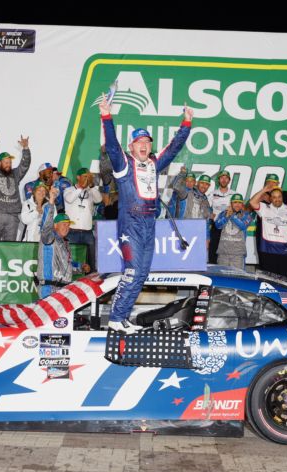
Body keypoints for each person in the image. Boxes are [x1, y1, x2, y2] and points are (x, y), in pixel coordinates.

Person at [99, 94, 193, 333]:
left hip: (149, 223)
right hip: (130, 223)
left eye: (147, 142)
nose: (144, 145)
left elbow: (173, 149)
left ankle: (122, 318)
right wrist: (106, 116)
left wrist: (186, 124)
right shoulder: (123, 164)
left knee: (142, 273)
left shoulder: (153, 163)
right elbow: (111, 144)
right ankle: (116, 317)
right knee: (132, 271)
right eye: (139, 142)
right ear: (131, 146)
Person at [36, 187, 90, 298]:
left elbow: (67, 265)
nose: (67, 227)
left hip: (64, 290)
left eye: (68, 225)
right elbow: (46, 225)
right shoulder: (49, 237)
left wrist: (80, 267)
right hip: (49, 289)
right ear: (55, 225)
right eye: (64, 224)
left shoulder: (65, 243)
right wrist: (51, 200)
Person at [250, 184, 287, 279]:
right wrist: (264, 189)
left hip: (285, 252)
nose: (277, 199)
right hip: (267, 252)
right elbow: (252, 202)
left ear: (282, 197)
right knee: (267, 282)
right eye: (274, 197)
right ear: (270, 198)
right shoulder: (264, 208)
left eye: (279, 197)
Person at [64, 167, 102, 271]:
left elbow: (99, 199)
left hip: (87, 232)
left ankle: (91, 282)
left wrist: (92, 186)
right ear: (78, 177)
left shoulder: (91, 191)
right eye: (85, 176)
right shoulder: (69, 190)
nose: (87, 178)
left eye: (89, 177)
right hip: (72, 232)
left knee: (92, 261)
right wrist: (81, 187)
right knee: (71, 260)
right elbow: (69, 199)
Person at [253, 173, 287, 270]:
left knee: (282, 265)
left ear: (278, 183)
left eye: (273, 183)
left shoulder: (285, 194)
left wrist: (269, 199)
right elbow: (249, 207)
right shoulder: (260, 195)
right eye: (269, 182)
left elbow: (284, 209)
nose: (271, 185)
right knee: (264, 262)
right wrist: (262, 193)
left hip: (279, 236)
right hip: (263, 233)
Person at [215, 193, 252, 269]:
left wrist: (232, 216)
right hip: (223, 253)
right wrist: (226, 217)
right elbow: (217, 226)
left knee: (238, 278)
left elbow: (243, 226)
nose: (237, 205)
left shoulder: (246, 215)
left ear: (242, 204)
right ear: (231, 203)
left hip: (238, 254)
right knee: (223, 278)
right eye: (235, 202)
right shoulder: (223, 214)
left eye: (239, 202)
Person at [209, 170, 235, 264]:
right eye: (222, 178)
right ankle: (213, 271)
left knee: (228, 250)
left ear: (229, 180)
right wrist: (209, 214)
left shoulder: (234, 194)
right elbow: (206, 207)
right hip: (216, 226)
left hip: (229, 226)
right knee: (213, 250)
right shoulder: (212, 193)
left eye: (226, 178)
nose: (224, 180)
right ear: (219, 180)